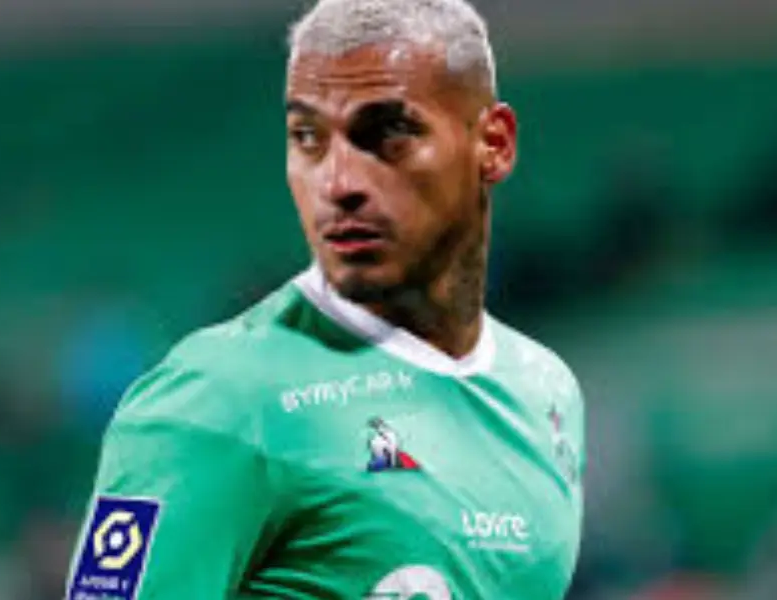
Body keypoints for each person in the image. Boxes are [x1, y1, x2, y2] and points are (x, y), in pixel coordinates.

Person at [64, 0, 586, 598]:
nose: (339, 183)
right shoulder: (218, 399)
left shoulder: (546, 392)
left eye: (389, 135)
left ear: (493, 144)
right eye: (308, 138)